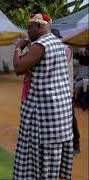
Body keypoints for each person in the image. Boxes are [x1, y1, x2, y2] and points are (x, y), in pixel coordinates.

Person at [12, 13, 73, 179]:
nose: (27, 32)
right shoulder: (59, 44)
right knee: (55, 162)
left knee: (40, 166)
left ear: (39, 27)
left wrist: (18, 47)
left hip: (43, 118)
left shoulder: (41, 44)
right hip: (59, 117)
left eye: (29, 27)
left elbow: (18, 68)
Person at [52, 28, 81, 156]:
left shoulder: (65, 49)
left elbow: (59, 65)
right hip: (56, 91)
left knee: (70, 117)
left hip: (65, 90)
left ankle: (76, 143)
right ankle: (62, 144)